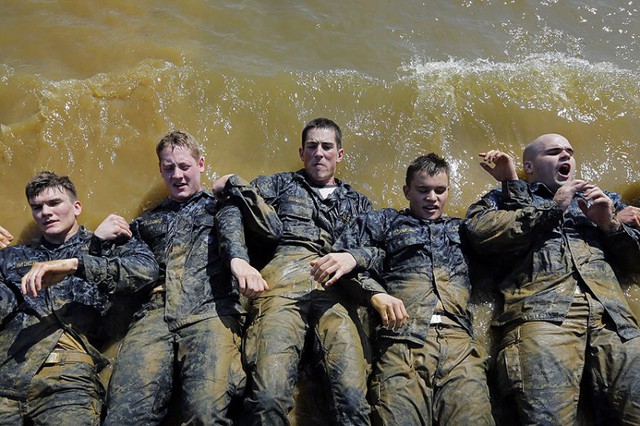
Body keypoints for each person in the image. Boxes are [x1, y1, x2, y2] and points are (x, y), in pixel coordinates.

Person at [218, 118, 403, 425]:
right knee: (267, 398)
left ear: (339, 154)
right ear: (301, 152)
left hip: (338, 294)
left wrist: (352, 257)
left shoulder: (358, 203)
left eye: (327, 146)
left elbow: (384, 251)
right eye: (312, 146)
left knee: (353, 402)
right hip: (282, 287)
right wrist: (238, 258)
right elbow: (231, 206)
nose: (319, 153)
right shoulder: (278, 185)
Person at [104, 130, 278, 425]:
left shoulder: (223, 206)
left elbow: (272, 229)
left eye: (184, 166)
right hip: (154, 316)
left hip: (211, 311)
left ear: (200, 164)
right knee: (123, 415)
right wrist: (100, 240)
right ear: (160, 170)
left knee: (205, 414)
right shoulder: (147, 221)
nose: (177, 175)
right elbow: (119, 272)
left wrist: (235, 183)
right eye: (169, 168)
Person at [465, 134, 640, 425]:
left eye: (569, 151)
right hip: (542, 317)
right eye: (554, 152)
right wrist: (552, 207)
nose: (565, 156)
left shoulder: (602, 199)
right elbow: (480, 234)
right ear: (530, 167)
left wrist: (610, 225)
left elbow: (635, 264)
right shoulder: (506, 199)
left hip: (614, 318)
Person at [311, 154, 494, 425]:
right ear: (406, 191)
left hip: (460, 348)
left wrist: (510, 181)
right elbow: (342, 261)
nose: (432, 197)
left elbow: (511, 239)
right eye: (423, 190)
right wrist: (376, 294)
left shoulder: (464, 231)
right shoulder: (385, 223)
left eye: (439, 190)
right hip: (401, 343)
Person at [0, 171, 159, 424]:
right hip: (6, 376)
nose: (46, 212)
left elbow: (146, 271)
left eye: (54, 203)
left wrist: (78, 263)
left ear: (76, 206)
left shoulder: (106, 244)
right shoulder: (12, 257)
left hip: (67, 380)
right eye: (37, 207)